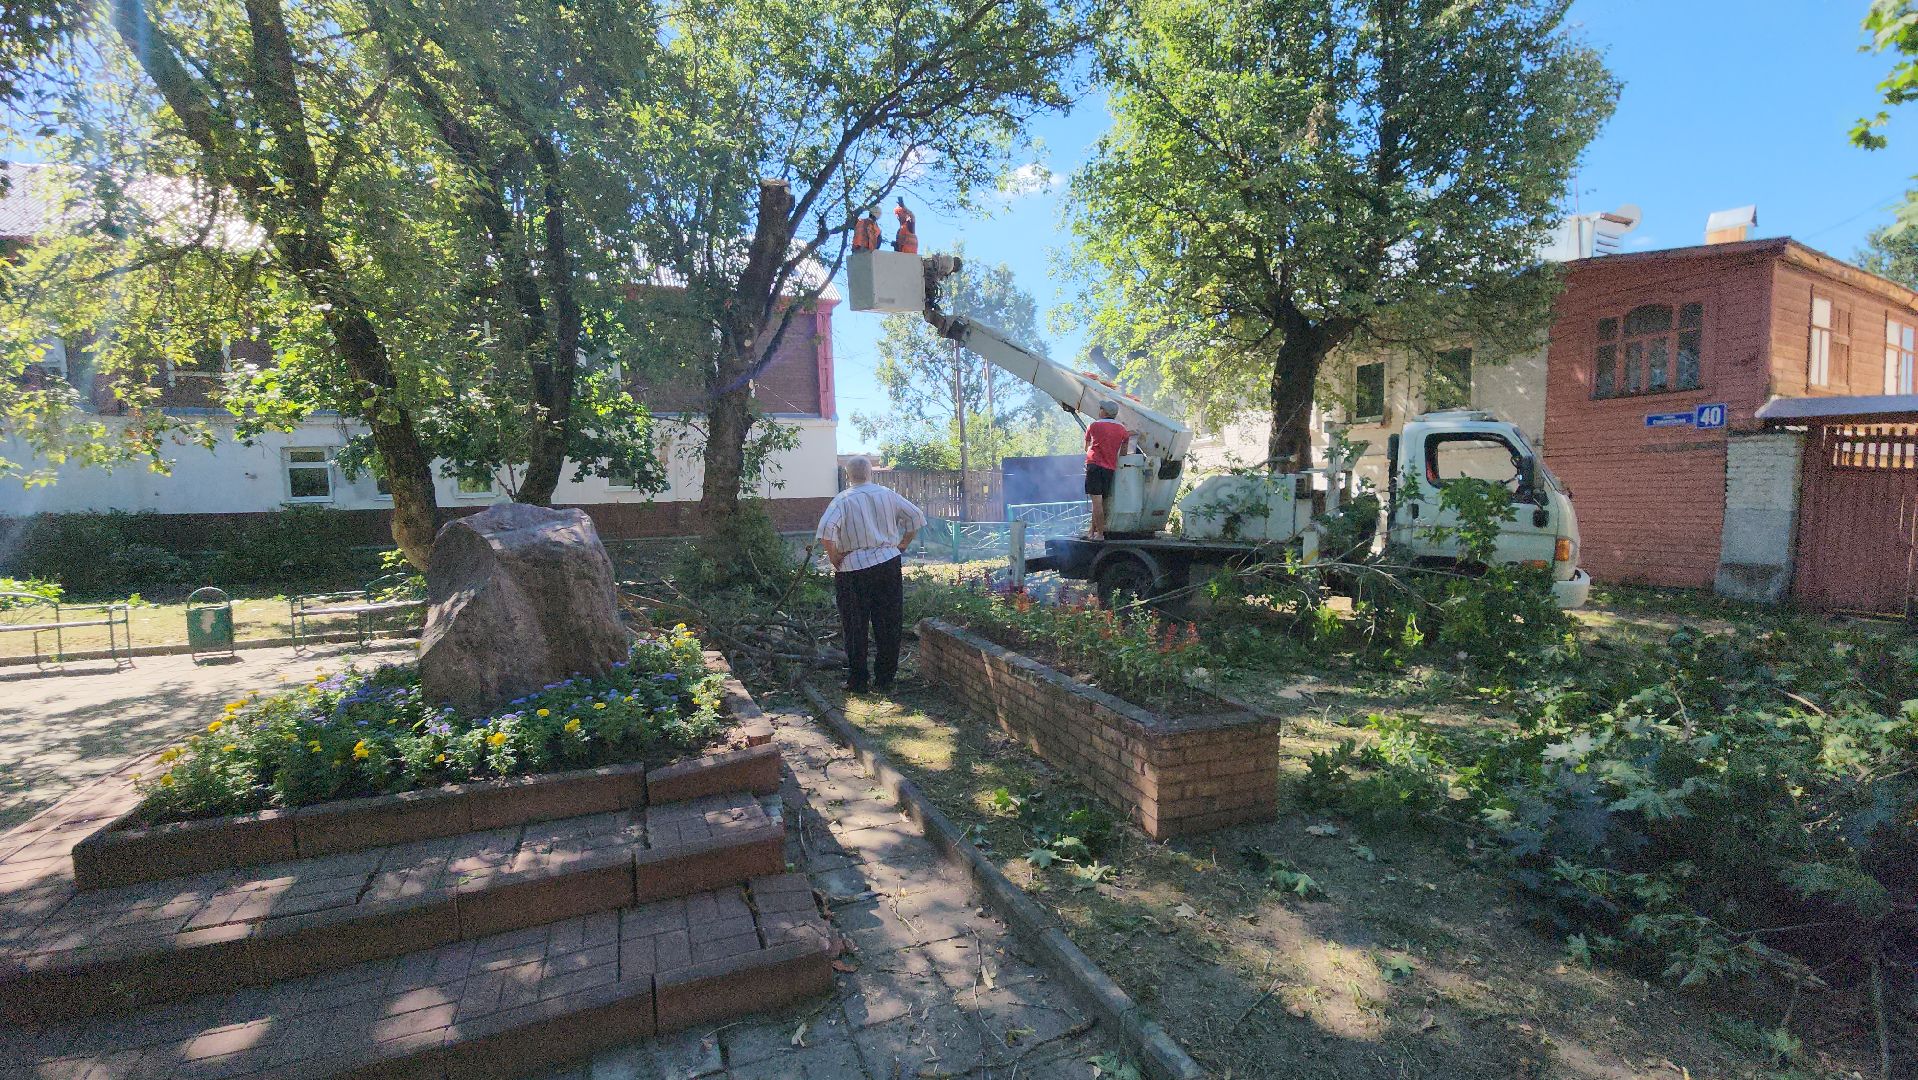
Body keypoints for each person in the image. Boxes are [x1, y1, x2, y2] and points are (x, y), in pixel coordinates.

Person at [816, 457, 926, 692]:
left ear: (848, 476)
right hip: (887, 563)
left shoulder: (842, 500)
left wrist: (834, 556)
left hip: (853, 569)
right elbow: (916, 517)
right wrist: (902, 545)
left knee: (855, 626)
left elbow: (827, 532)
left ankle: (858, 681)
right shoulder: (887, 494)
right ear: (871, 473)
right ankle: (885, 679)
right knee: (888, 622)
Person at [1082, 399, 1133, 540]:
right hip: (1109, 468)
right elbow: (1123, 453)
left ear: (1104, 412)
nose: (1099, 410)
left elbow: (1086, 447)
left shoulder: (1093, 425)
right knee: (1100, 502)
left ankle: (1100, 534)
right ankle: (1091, 532)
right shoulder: (1123, 430)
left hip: (1094, 466)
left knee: (1096, 502)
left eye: (1100, 408)